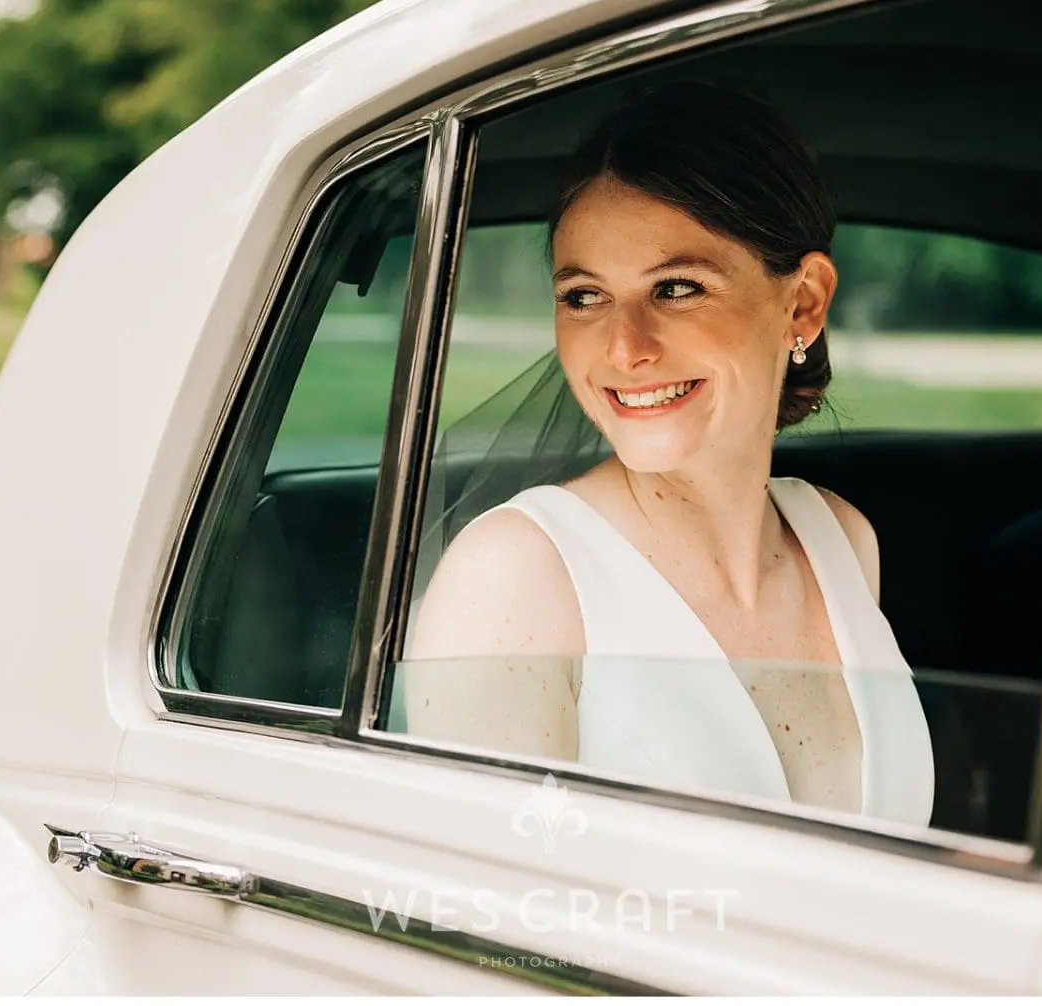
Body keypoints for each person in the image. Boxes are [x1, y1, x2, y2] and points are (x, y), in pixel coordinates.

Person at [400, 82, 934, 826]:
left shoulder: (842, 541)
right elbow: (479, 895)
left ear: (804, 302)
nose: (625, 348)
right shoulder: (515, 579)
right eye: (584, 296)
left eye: (677, 288)